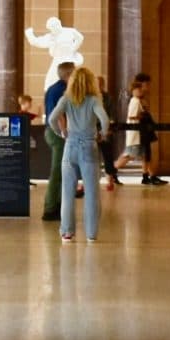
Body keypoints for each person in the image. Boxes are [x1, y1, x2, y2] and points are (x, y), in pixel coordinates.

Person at [52, 65, 109, 243]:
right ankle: (91, 234)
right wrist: (102, 134)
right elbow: (105, 120)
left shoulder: (66, 99)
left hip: (70, 147)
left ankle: (67, 232)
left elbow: (53, 118)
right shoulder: (93, 100)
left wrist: (61, 133)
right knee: (92, 192)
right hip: (89, 147)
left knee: (67, 192)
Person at [38, 67, 68, 222]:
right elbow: (58, 115)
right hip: (56, 133)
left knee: (61, 171)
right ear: (68, 75)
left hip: (51, 131)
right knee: (57, 171)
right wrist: (64, 133)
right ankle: (50, 208)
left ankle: (57, 205)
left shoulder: (52, 88)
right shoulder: (62, 90)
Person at [129, 72, 165, 185]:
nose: (149, 86)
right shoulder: (136, 99)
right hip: (141, 130)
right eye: (147, 84)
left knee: (147, 154)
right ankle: (112, 172)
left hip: (145, 129)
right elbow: (133, 115)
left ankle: (150, 175)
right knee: (129, 155)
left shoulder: (141, 98)